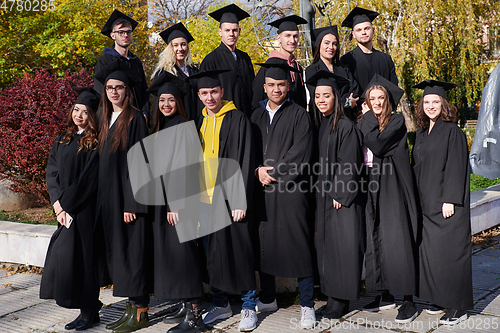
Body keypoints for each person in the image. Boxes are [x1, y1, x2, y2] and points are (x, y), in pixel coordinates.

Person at [187, 69, 257, 332]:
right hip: (206, 200)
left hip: (230, 198)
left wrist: (240, 200)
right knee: (212, 255)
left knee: (240, 252)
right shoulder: (198, 122)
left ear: (222, 92)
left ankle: (249, 306)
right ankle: (221, 303)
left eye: (213, 92)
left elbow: (245, 159)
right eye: (204, 93)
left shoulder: (238, 119)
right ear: (199, 95)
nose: (209, 97)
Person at [142, 71, 208, 333]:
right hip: (167, 203)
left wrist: (177, 204)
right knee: (178, 257)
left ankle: (195, 318)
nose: (166, 104)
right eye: (161, 100)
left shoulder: (181, 125)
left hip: (180, 203)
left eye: (170, 99)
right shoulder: (163, 127)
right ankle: (185, 306)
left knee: (186, 258)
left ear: (178, 102)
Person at [251, 62, 315, 329]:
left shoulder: (300, 115)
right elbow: (247, 150)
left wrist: (272, 172)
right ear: (264, 87)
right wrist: (256, 171)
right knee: (264, 243)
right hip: (262, 191)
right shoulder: (254, 116)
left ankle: (308, 304)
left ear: (288, 86)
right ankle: (267, 297)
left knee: (299, 244)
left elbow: (301, 152)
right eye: (271, 85)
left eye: (281, 85)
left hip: (290, 190)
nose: (276, 89)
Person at [93, 59, 152, 333]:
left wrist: (133, 202)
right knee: (120, 255)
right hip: (110, 200)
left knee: (132, 254)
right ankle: (130, 309)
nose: (114, 92)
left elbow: (141, 163)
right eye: (109, 88)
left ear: (127, 91)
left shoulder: (135, 118)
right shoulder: (105, 118)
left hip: (127, 201)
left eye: (119, 88)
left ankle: (141, 312)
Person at [357, 74, 418, 323]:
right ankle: (384, 294)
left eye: (381, 98)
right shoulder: (364, 121)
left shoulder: (396, 121)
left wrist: (368, 117)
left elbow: (378, 144)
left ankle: (407, 299)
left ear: (387, 100)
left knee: (397, 239)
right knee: (375, 238)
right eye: (372, 98)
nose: (377, 102)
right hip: (370, 183)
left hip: (392, 185)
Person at [412, 80, 473, 324]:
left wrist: (450, 199)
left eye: (435, 102)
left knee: (452, 255)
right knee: (434, 255)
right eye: (426, 102)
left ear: (444, 104)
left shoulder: (452, 131)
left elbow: (457, 167)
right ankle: (439, 298)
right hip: (427, 205)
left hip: (446, 205)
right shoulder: (421, 133)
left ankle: (457, 307)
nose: (430, 106)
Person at [40, 87, 101, 331]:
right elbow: (51, 172)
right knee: (68, 259)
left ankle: (89, 310)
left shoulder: (95, 142)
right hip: (64, 210)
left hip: (84, 210)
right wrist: (57, 205)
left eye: (85, 112)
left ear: (92, 116)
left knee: (85, 260)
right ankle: (85, 309)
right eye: (76, 110)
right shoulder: (63, 138)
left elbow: (88, 180)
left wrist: (65, 205)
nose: (79, 115)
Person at [306, 70, 365, 321]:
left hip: (340, 199)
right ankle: (331, 296)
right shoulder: (324, 125)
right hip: (325, 196)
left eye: (326, 95)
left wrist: (340, 193)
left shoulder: (345, 126)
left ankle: (340, 300)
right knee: (327, 247)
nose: (321, 99)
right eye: (317, 95)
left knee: (342, 248)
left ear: (336, 98)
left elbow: (350, 163)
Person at [341, 7, 398, 118]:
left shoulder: (386, 59)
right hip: (358, 116)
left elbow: (394, 88)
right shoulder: (346, 60)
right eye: (359, 30)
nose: (363, 32)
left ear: (373, 30)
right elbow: (349, 92)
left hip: (384, 115)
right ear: (353, 34)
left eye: (366, 28)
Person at [95, 9, 150, 121]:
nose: (125, 35)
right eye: (121, 32)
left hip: (136, 117)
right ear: (112, 35)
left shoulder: (135, 61)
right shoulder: (105, 60)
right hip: (114, 118)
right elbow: (100, 91)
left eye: (128, 32)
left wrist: (145, 112)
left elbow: (143, 89)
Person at [201, 4, 255, 118]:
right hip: (223, 119)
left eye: (234, 30)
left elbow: (252, 89)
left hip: (247, 117)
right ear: (220, 32)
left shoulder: (245, 58)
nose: (231, 34)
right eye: (227, 30)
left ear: (239, 31)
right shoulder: (210, 60)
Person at [305, 25, 360, 126]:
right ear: (319, 45)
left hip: (344, 121)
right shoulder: (312, 70)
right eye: (327, 43)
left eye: (334, 44)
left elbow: (355, 92)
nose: (331, 47)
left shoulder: (344, 70)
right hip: (322, 123)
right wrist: (347, 102)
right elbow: (318, 98)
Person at [252, 15, 308, 111]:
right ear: (278, 38)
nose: (292, 40)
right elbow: (257, 99)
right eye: (288, 36)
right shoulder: (270, 65)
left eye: (295, 36)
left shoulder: (297, 67)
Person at [151, 22, 201, 122]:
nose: (180, 49)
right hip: (174, 125)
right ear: (170, 48)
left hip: (196, 123)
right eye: (175, 45)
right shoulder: (163, 73)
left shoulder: (194, 71)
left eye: (183, 45)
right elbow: (158, 105)